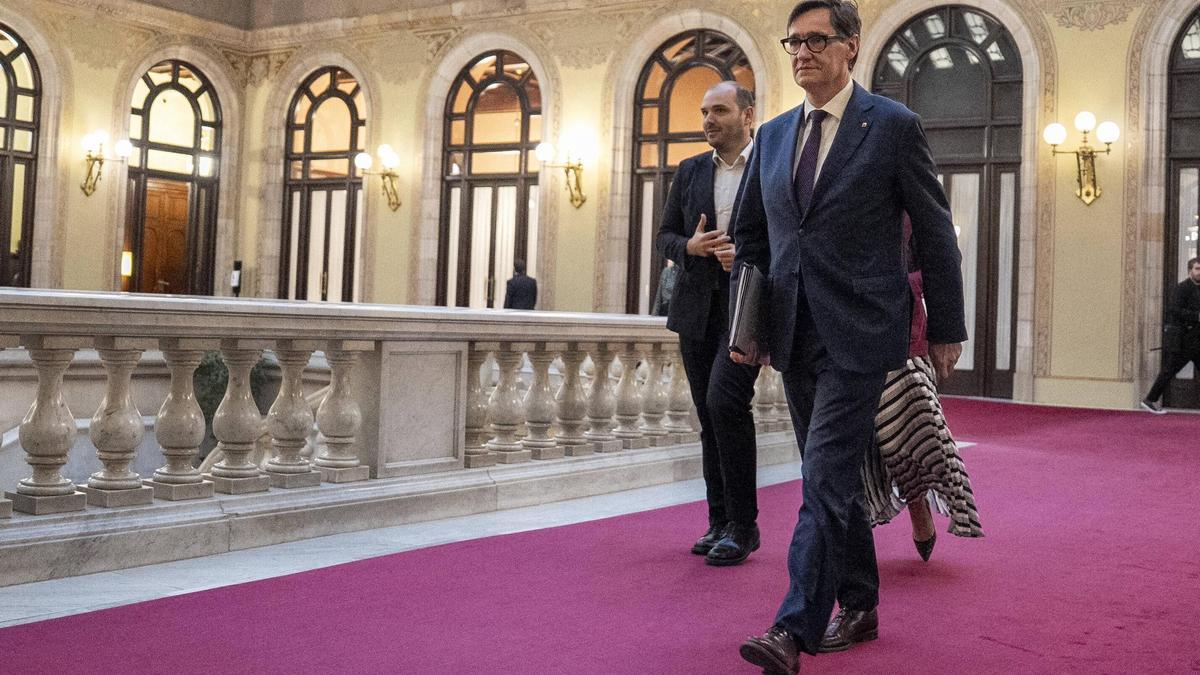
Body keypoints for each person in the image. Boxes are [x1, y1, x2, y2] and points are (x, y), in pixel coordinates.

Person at [730, 2, 966, 672]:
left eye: (816, 40)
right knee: (830, 477)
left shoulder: (891, 126)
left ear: (851, 46)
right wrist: (747, 327)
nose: (802, 52)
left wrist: (946, 326)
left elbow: (935, 230)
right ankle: (860, 604)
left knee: (825, 475)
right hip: (793, 332)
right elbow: (752, 238)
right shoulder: (773, 136)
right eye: (793, 42)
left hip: (863, 332)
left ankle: (792, 627)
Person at [656, 80, 763, 566]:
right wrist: (690, 247)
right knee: (708, 414)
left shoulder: (769, 166)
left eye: (719, 110)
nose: (708, 120)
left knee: (726, 403)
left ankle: (744, 525)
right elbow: (665, 236)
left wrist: (748, 257)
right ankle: (719, 520)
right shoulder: (691, 170)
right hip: (696, 310)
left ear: (747, 115)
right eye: (704, 112)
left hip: (748, 307)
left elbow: (787, 235)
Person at [1141, 257, 1200, 413]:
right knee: (1169, 370)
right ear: (1190, 271)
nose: (1199, 272)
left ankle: (1149, 399)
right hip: (1183, 340)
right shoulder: (1182, 288)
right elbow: (1174, 310)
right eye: (1197, 269)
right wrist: (1197, 316)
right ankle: (1150, 400)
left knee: (1169, 370)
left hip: (1196, 340)